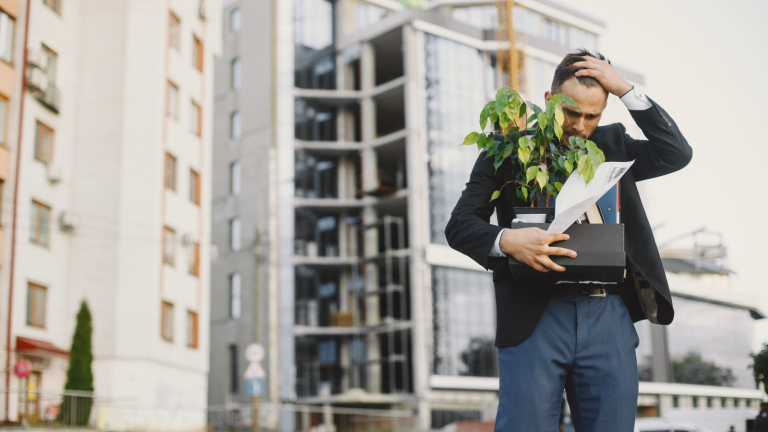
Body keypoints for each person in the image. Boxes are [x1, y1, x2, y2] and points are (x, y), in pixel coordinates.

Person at [445, 49, 692, 432]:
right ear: (549, 101)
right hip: (533, 314)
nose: (580, 125)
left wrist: (625, 89)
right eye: (571, 113)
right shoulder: (506, 151)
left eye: (592, 115)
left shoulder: (614, 143)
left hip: (608, 314)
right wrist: (508, 240)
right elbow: (460, 225)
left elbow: (676, 153)